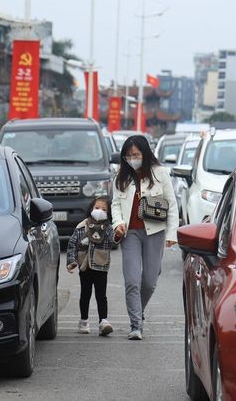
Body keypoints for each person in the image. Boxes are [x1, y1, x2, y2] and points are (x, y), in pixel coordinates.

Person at [111, 135, 178, 340]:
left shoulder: (160, 174)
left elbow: (172, 204)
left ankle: (138, 313)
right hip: (130, 233)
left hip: (154, 231)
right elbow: (115, 204)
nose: (133, 159)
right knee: (132, 279)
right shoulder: (120, 177)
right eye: (129, 156)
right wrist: (118, 223)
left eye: (136, 155)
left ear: (145, 154)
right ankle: (135, 325)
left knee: (149, 280)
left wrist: (172, 234)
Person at [66, 196, 119, 336]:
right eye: (97, 208)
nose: (99, 211)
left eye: (104, 209)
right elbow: (72, 244)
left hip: (101, 267)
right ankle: (84, 320)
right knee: (85, 294)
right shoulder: (82, 226)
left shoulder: (108, 228)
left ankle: (103, 321)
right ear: (91, 209)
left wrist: (119, 235)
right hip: (85, 266)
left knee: (101, 295)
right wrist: (71, 261)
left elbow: (114, 240)